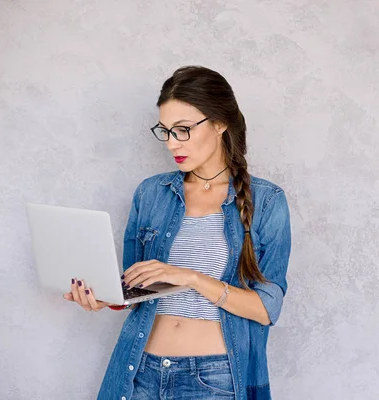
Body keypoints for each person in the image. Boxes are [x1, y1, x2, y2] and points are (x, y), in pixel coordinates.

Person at [63, 65, 292, 400]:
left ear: (219, 124)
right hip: (137, 371)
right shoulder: (151, 193)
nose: (171, 143)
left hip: (213, 378)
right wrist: (105, 298)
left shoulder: (267, 201)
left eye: (182, 130)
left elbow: (266, 308)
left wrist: (191, 277)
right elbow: (136, 286)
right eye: (165, 130)